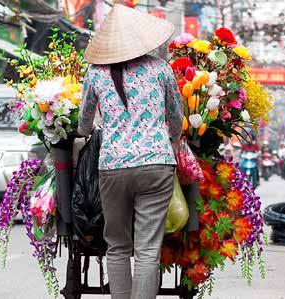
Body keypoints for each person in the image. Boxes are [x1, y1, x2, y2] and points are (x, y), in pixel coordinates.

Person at [77, 5, 182, 299]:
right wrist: (171, 139)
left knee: (118, 245)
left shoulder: (96, 74)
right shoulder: (161, 68)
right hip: (157, 164)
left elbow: (84, 125)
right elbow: (176, 117)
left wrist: (95, 127)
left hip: (113, 166)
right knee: (148, 248)